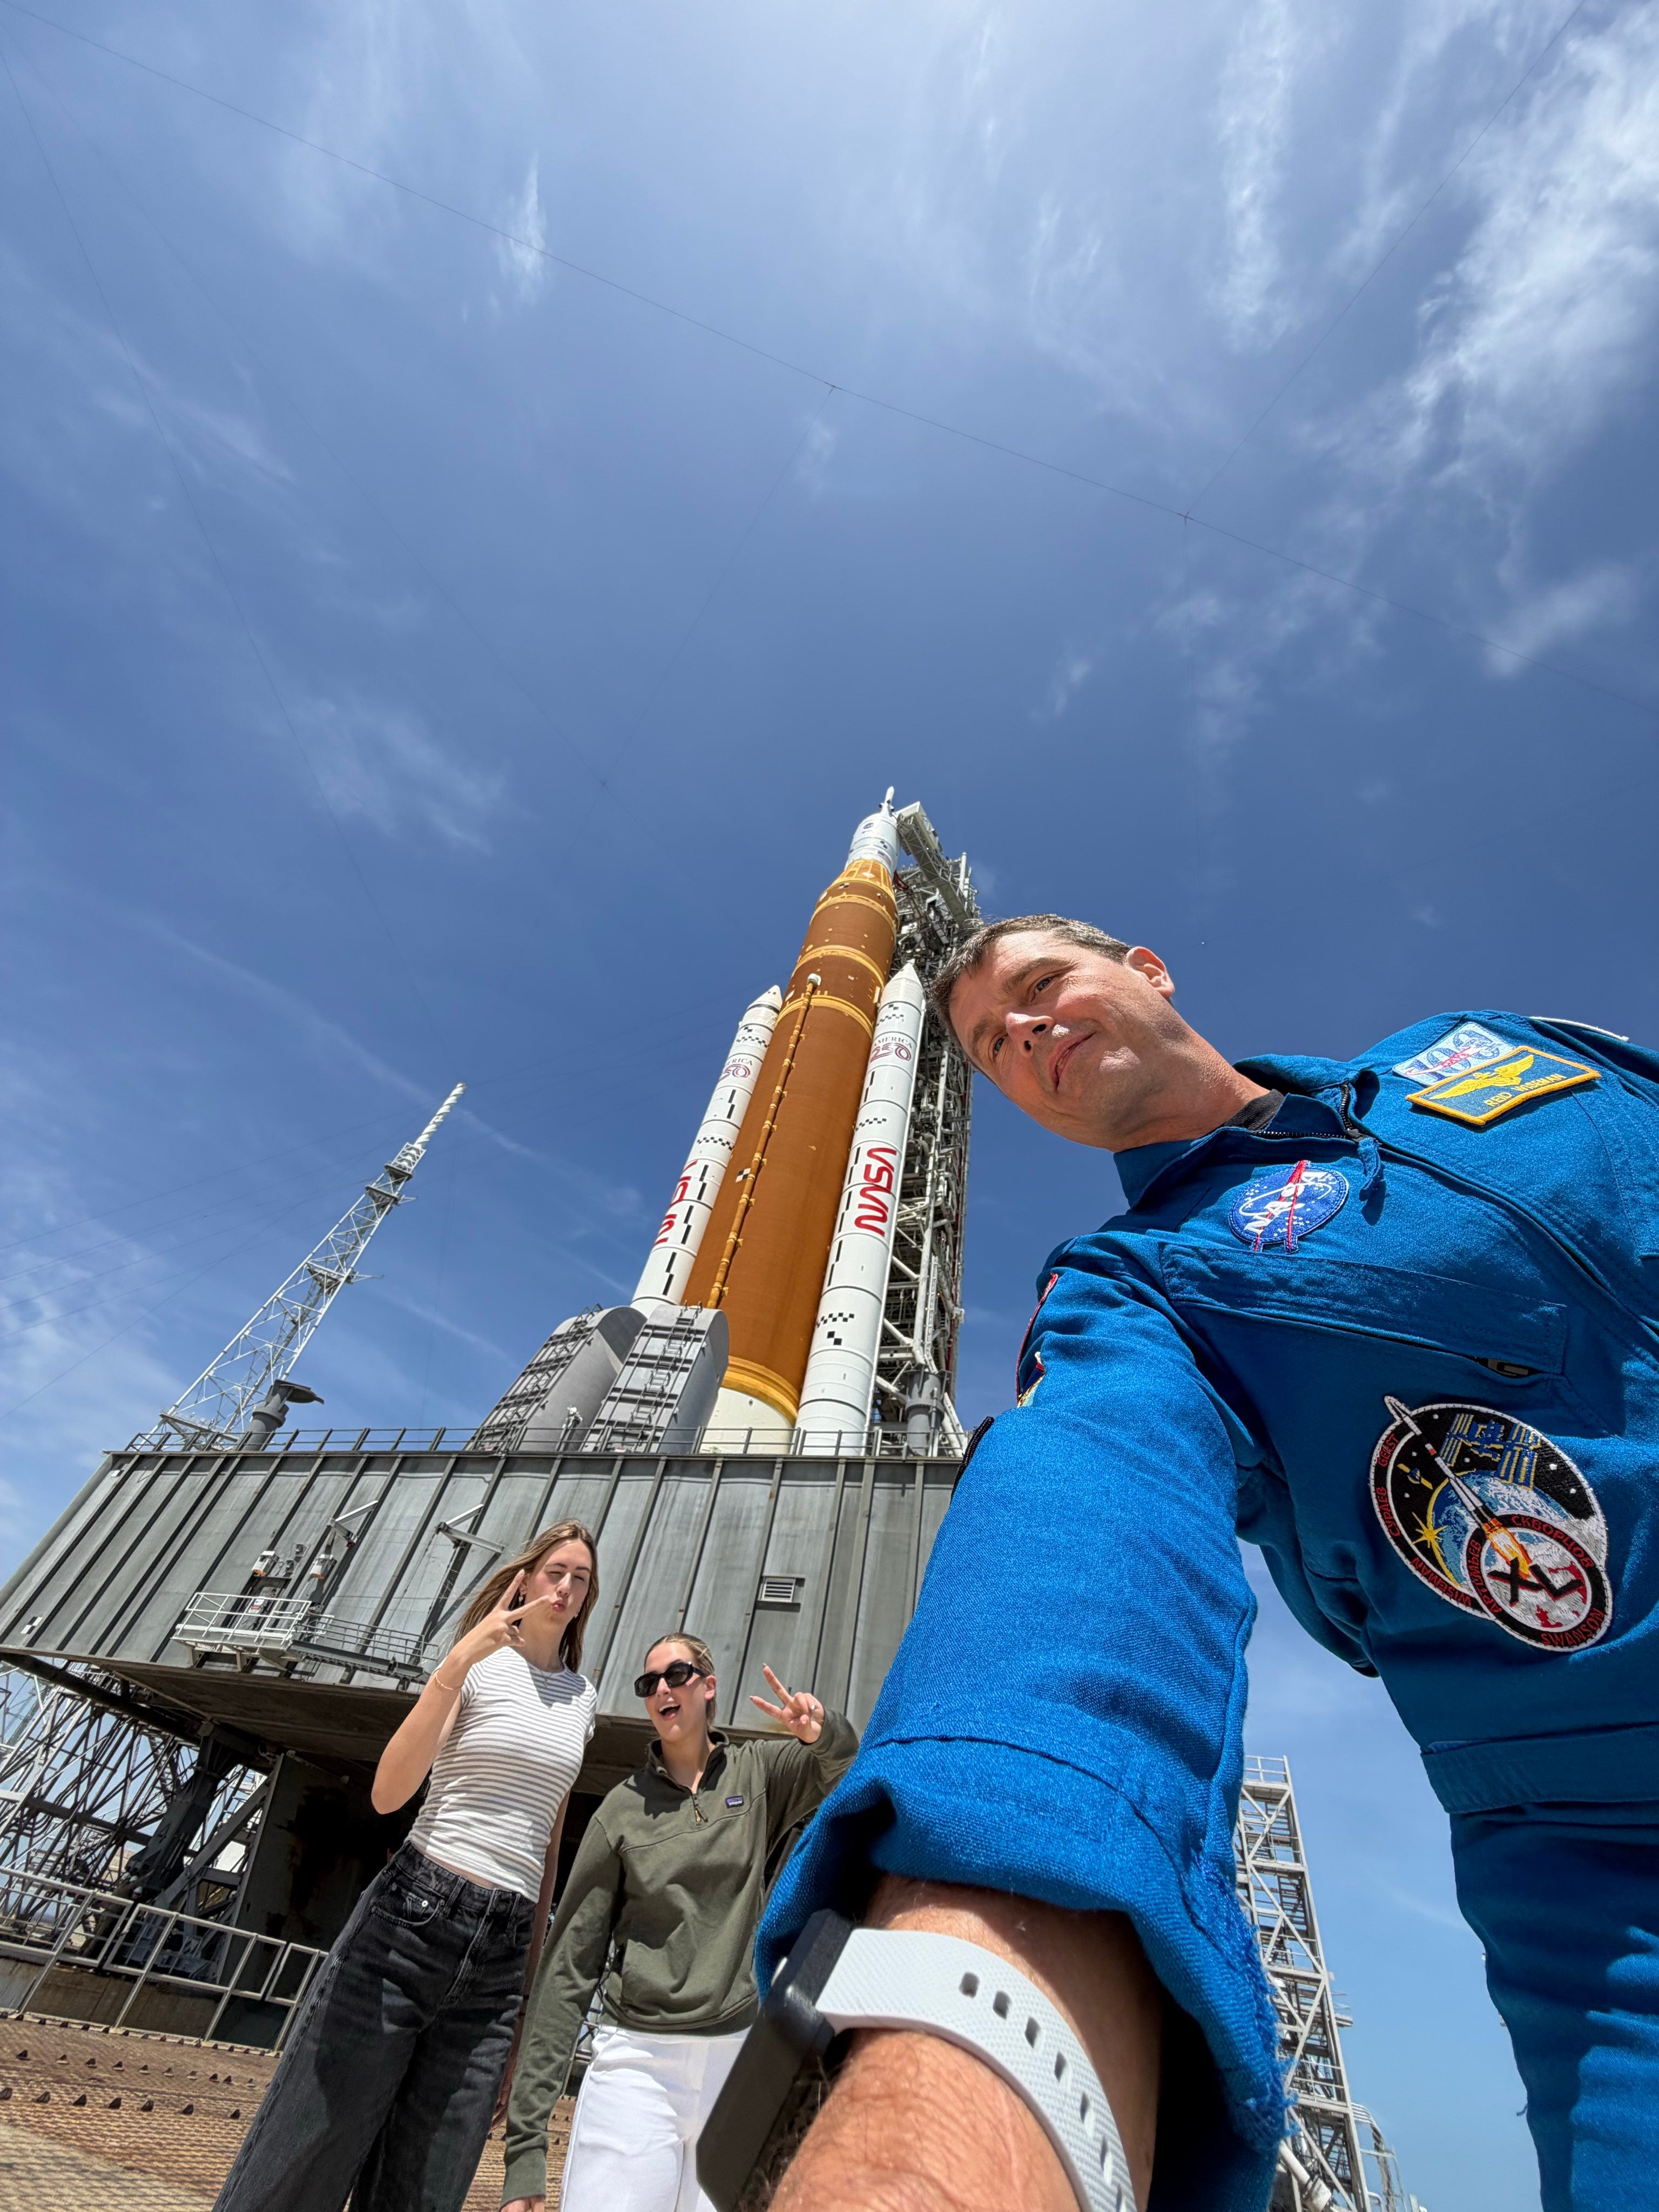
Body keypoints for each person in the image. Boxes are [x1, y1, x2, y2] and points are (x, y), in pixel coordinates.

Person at [744, 918, 1659, 2212]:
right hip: (1617, 1854)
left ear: (1145, 968)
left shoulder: (1478, 1053)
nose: (1023, 1033)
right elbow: (1081, 1521)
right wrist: (968, 2010)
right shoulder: (1135, 1292)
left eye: (1041, 986)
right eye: (989, 1046)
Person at [213, 1521, 600, 2212]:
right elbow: (389, 1792)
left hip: (502, 1956)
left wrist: (525, 1997)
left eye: (581, 1579)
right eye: (556, 1571)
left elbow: (548, 1848)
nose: (567, 1587)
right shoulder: (476, 1663)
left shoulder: (583, 1699)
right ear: (525, 1577)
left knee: (429, 2182)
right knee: (306, 2149)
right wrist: (454, 1666)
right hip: (414, 1914)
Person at [501, 1634, 858, 2212]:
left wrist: (821, 1728)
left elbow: (843, 1770)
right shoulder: (621, 1810)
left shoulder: (757, 1773)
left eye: (676, 1675)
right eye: (649, 1684)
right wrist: (524, 2153)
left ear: (708, 1686)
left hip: (735, 2069)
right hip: (637, 2067)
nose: (662, 1689)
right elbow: (569, 1966)